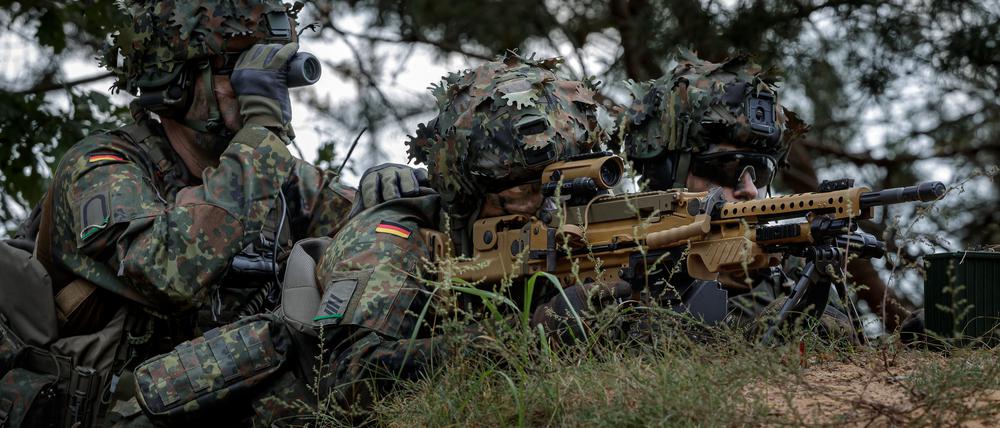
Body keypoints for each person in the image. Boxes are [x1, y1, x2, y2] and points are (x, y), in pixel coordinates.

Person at [128, 53, 623, 425]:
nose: (540, 208)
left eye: (554, 187)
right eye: (517, 193)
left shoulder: (565, 221)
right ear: (466, 188)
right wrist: (532, 338)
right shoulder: (392, 237)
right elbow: (350, 376)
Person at [0, 1, 406, 425]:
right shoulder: (102, 167)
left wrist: (395, 198)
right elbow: (165, 272)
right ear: (176, 80)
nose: (263, 90)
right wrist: (264, 134)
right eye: (239, 68)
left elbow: (365, 231)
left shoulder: (274, 178)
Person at [615, 50, 866, 335]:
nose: (749, 190)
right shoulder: (615, 269)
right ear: (665, 178)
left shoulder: (794, 273)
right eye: (725, 169)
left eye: (760, 173)